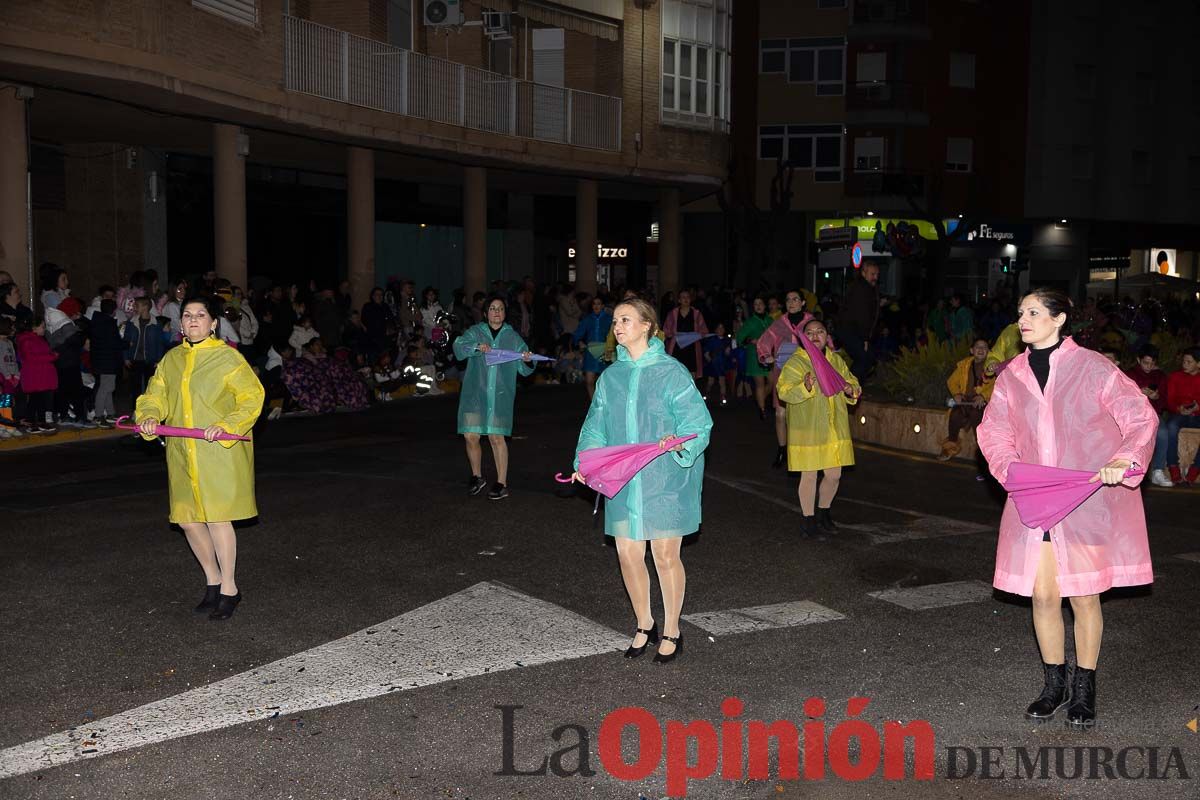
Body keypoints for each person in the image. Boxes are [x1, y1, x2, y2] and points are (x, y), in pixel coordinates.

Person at [977, 288, 1157, 727]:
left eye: (1034, 312)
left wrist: (1123, 458)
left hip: (1084, 500)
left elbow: (1140, 416)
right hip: (1036, 498)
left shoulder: (1094, 368)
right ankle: (1053, 685)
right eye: (1021, 312)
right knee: (1042, 595)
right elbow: (993, 431)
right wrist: (1011, 471)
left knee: (1083, 595)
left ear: (1059, 319)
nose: (1024, 319)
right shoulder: (1011, 375)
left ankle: (1084, 688)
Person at [571, 297, 712, 664]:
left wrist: (677, 443)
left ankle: (673, 629)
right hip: (625, 479)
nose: (617, 326)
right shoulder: (610, 377)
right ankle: (644, 622)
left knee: (665, 554)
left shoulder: (671, 372)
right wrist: (585, 462)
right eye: (616, 320)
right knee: (628, 553)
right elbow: (595, 425)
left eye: (626, 320)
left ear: (647, 326)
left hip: (665, 477)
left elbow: (698, 423)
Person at [135, 296, 266, 621]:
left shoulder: (227, 358)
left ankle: (230, 589)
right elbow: (155, 394)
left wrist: (226, 424)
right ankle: (212, 581)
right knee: (189, 520)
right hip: (182, 452)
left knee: (218, 517)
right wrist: (150, 416)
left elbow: (252, 397)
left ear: (213, 323)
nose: (194, 320)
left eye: (201, 315)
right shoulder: (171, 360)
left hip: (217, 452)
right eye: (188, 316)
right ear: (181, 324)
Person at [776, 319, 861, 538]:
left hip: (834, 429)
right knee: (810, 476)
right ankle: (808, 519)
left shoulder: (836, 360)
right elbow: (783, 391)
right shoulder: (796, 363)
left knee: (834, 475)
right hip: (808, 429)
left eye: (820, 331)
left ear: (827, 336)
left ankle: (824, 513)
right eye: (810, 332)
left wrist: (852, 390)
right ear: (803, 338)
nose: (815, 335)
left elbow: (851, 382)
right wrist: (805, 386)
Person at [453, 295, 535, 500]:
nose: (496, 312)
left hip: (500, 396)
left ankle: (501, 483)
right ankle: (477, 476)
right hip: (475, 395)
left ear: (505, 313)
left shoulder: (512, 337)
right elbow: (459, 348)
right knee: (470, 436)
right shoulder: (475, 332)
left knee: (496, 437)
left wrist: (527, 358)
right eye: (492, 308)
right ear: (485, 312)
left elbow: (524, 369)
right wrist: (475, 347)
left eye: (500, 308)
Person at [756, 290, 813, 468]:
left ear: (803, 302)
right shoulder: (779, 323)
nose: (791, 302)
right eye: (788, 300)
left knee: (803, 414)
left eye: (795, 299)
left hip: (805, 373)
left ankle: (803, 452)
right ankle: (782, 451)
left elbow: (825, 341)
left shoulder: (811, 322)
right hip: (784, 373)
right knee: (781, 414)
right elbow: (763, 342)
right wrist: (766, 356)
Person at [938, 338, 995, 461]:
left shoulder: (992, 366)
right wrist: (957, 394)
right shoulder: (964, 365)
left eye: (984, 347)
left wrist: (984, 396)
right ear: (971, 350)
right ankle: (950, 446)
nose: (980, 349)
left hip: (983, 402)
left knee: (976, 415)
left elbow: (997, 384)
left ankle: (984, 453)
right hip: (966, 401)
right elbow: (951, 381)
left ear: (989, 351)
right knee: (955, 415)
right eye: (977, 347)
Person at [1150, 347, 1200, 486]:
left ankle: (1195, 469)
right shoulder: (1175, 377)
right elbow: (1169, 401)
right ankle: (1173, 467)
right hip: (1179, 414)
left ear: (1198, 364)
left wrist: (1198, 408)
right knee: (1171, 426)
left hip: (1197, 415)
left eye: (1189, 362)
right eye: (1184, 361)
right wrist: (1179, 409)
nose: (1185, 364)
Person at [840, 261, 881, 381]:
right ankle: (849, 388)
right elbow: (862, 314)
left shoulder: (866, 287)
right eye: (872, 274)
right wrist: (865, 338)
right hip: (850, 330)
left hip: (852, 329)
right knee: (864, 358)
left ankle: (853, 388)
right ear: (864, 273)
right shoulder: (862, 288)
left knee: (868, 358)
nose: (875, 277)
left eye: (877, 274)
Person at [124, 296, 169, 406]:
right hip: (135, 358)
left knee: (150, 386)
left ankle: (149, 408)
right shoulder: (132, 322)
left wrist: (158, 360)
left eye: (137, 305)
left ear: (145, 307)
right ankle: (136, 409)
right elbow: (126, 341)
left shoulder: (155, 324)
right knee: (135, 386)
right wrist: (125, 357)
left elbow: (159, 343)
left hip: (150, 359)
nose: (134, 308)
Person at [16, 316, 57, 432]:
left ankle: (41, 421)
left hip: (42, 374)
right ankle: (31, 423)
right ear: (34, 328)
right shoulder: (26, 340)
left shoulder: (40, 339)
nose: (45, 329)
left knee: (42, 400)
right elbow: (30, 357)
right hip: (34, 374)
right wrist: (51, 357)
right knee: (34, 400)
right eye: (42, 327)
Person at [89, 298, 124, 427]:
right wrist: (126, 343)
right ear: (113, 311)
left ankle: (110, 413)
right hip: (107, 360)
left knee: (108, 387)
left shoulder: (98, 322)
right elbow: (114, 342)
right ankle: (98, 415)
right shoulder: (108, 324)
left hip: (100, 360)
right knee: (105, 388)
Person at [738, 297, 773, 419]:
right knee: (760, 384)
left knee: (773, 382)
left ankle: (760, 399)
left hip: (769, 356)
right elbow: (740, 338)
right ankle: (762, 410)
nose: (758, 306)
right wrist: (751, 340)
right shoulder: (750, 322)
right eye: (755, 304)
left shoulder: (770, 320)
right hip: (754, 356)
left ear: (765, 306)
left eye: (760, 303)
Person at [663, 290, 709, 382]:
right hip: (676, 347)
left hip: (692, 348)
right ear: (679, 300)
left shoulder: (697, 314)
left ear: (691, 299)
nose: (686, 299)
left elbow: (704, 331)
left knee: (691, 374)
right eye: (683, 297)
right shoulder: (672, 313)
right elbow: (665, 330)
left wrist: (697, 335)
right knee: (675, 373)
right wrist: (672, 334)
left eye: (687, 297)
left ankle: (690, 394)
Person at [573, 295, 612, 400]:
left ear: (603, 306)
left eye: (598, 304)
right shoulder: (587, 319)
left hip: (605, 352)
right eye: (594, 304)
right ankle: (594, 405)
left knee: (604, 382)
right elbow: (577, 334)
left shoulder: (609, 319)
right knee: (589, 381)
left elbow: (615, 334)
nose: (596, 306)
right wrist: (580, 342)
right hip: (590, 352)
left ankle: (604, 403)